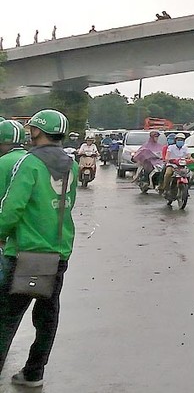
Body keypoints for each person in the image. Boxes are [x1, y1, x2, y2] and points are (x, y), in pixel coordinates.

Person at [0, 108, 78, 388]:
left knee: (5, 318)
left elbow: (12, 207)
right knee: (47, 316)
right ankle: (34, 372)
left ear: (36, 131)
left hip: (24, 253)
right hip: (58, 252)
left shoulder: (29, 163)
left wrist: (1, 234)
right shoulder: (72, 163)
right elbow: (70, 203)